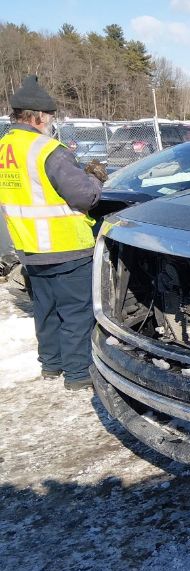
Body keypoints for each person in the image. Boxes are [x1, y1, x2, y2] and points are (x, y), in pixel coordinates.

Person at [0, 75, 107, 390]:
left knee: (44, 310)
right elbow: (85, 197)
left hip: (29, 246)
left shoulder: (5, 147)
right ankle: (77, 375)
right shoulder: (47, 149)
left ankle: (51, 364)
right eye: (48, 117)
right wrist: (96, 179)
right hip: (65, 245)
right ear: (36, 116)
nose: (50, 122)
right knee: (76, 311)